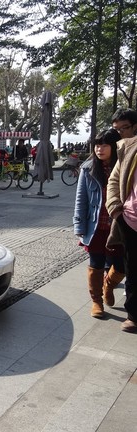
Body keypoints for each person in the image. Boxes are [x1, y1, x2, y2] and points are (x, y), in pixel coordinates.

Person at [74, 129, 124, 319]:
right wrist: (79, 226)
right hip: (95, 225)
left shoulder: (124, 166)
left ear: (115, 146)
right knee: (96, 264)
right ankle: (96, 301)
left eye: (104, 145)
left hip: (118, 226)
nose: (99, 149)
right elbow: (81, 199)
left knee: (121, 266)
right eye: (96, 145)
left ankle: (108, 285)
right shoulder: (87, 168)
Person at [106, 125, 137, 333]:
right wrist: (116, 210)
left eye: (123, 128)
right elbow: (114, 180)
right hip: (131, 219)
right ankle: (133, 315)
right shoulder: (129, 148)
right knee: (132, 268)